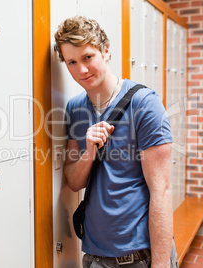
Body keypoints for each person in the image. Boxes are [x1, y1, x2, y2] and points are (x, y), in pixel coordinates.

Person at [54, 16, 178, 268]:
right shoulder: (75, 107)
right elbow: (75, 182)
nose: (82, 70)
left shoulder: (144, 104)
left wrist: (161, 264)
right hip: (94, 256)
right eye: (72, 62)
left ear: (106, 51)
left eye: (88, 57)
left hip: (140, 257)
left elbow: (161, 191)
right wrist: (88, 151)